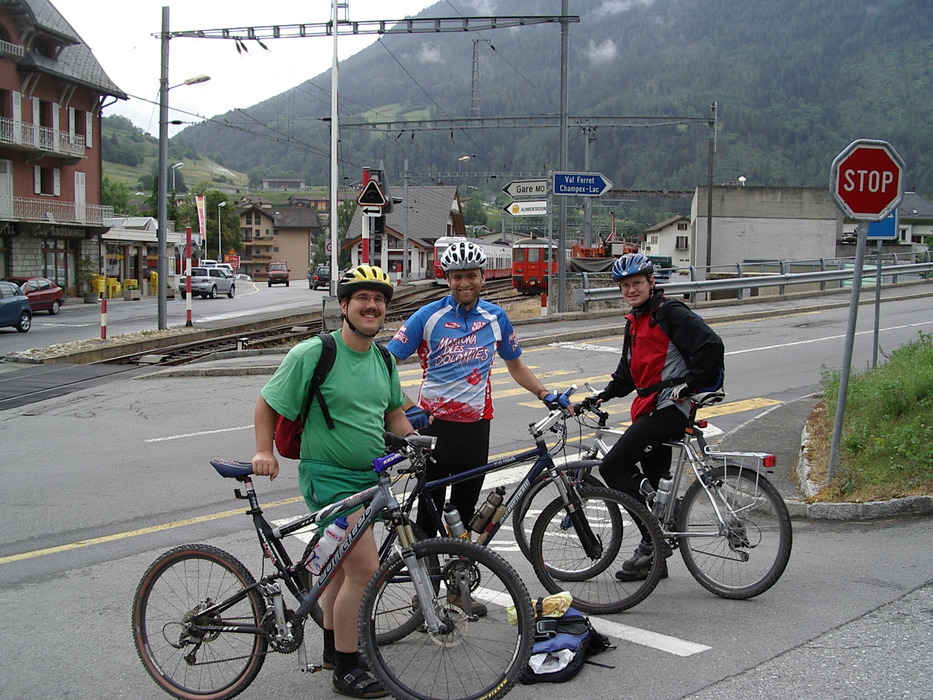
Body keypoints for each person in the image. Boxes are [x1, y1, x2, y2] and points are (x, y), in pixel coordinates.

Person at [252, 264, 412, 699]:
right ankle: (347, 668)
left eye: (379, 300)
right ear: (343, 306)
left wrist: (416, 442)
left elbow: (394, 413)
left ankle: (330, 649)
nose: (371, 305)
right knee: (363, 567)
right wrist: (264, 450)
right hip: (328, 477)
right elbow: (267, 401)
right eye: (362, 297)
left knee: (341, 571)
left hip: (369, 478)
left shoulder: (383, 359)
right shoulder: (313, 354)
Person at [387, 239, 565, 544]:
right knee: (428, 517)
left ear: (482, 277)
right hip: (433, 428)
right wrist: (407, 406)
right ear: (447, 279)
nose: (464, 282)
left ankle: (459, 585)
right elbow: (385, 364)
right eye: (457, 276)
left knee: (467, 515)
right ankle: (425, 587)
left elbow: (516, 365)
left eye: (471, 275)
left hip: (476, 428)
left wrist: (544, 394)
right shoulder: (428, 316)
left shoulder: (496, 318)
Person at [594, 253, 724, 582]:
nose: (631, 289)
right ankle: (655, 559)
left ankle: (655, 534)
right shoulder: (635, 321)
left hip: (670, 408)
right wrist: (600, 396)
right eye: (625, 285)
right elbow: (628, 374)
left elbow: (711, 346)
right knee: (654, 482)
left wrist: (689, 385)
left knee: (612, 467)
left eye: (637, 283)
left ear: (652, 282)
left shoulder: (670, 312)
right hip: (649, 406)